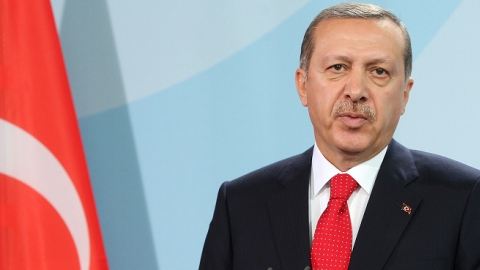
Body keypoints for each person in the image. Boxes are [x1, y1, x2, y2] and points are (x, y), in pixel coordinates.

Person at [199, 3, 480, 270]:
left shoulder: (464, 198)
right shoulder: (240, 204)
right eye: (338, 67)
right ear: (303, 85)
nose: (356, 90)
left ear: (404, 94)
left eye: (379, 71)